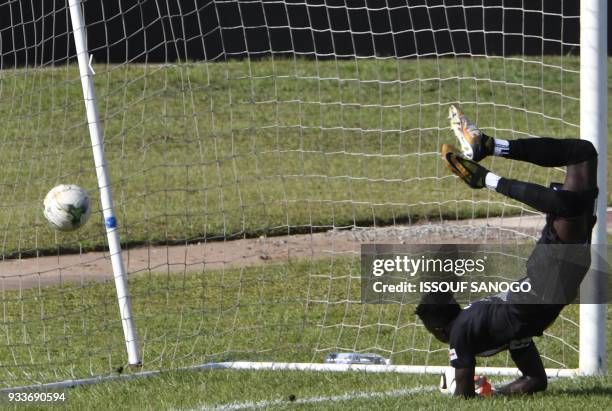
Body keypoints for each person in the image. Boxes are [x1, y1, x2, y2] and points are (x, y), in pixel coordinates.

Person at [415, 105, 598, 397]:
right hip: (544, 287)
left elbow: (531, 382)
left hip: (546, 287)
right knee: (574, 186)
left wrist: (488, 393)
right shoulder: (489, 330)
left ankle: (487, 161)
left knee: (581, 159)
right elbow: (526, 383)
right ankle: (488, 161)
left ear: (438, 332)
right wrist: (489, 393)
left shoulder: (473, 334)